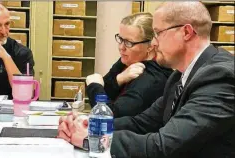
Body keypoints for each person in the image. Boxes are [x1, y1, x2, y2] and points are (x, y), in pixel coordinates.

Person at [58, 2, 235, 158]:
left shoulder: (220, 77)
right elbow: (141, 123)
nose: (154, 43)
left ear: (186, 32)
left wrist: (93, 139)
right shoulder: (179, 76)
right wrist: (90, 124)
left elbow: (164, 145)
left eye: (158, 33)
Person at [86, 12, 172, 118]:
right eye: (120, 39)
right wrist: (118, 79)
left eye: (129, 42)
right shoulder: (127, 60)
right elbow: (105, 92)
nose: (121, 47)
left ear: (150, 45)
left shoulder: (152, 79)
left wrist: (94, 87)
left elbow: (111, 117)